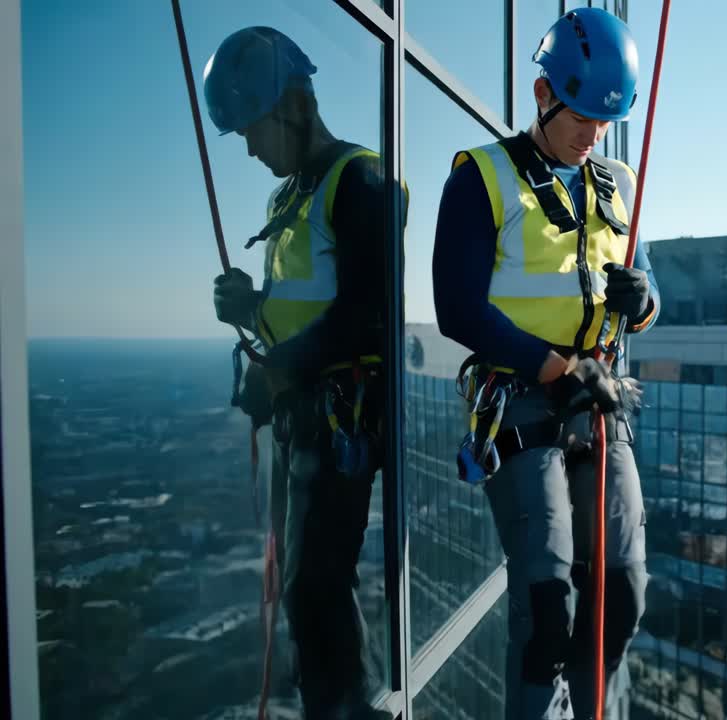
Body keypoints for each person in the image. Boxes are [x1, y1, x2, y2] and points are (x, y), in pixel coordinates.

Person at [433, 8, 659, 719]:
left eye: (604, 120)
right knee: (548, 601)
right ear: (542, 95)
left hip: (596, 403)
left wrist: (642, 297)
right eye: (582, 118)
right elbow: (458, 311)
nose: (593, 136)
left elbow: (651, 298)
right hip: (524, 400)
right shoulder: (482, 179)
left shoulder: (617, 180)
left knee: (622, 593)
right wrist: (560, 369)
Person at [204, 26, 402, 720]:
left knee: (314, 587)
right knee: (301, 587)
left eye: (253, 129)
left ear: (291, 106)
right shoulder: (286, 200)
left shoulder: (364, 179)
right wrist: (251, 310)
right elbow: (294, 316)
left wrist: (282, 365)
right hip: (304, 420)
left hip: (341, 416)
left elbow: (369, 314)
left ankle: (344, 711)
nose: (251, 148)